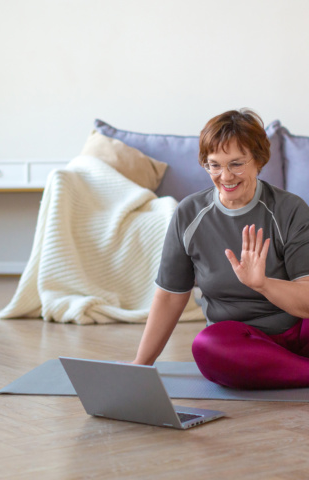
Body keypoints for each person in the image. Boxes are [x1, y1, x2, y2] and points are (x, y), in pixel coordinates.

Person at [133, 108, 309, 390]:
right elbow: (169, 296)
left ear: (259, 161)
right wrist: (140, 365)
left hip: (297, 331)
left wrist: (263, 284)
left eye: (236, 164)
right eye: (214, 165)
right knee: (208, 346)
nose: (225, 176)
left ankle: (285, 368)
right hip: (239, 343)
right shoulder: (189, 214)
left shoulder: (289, 209)